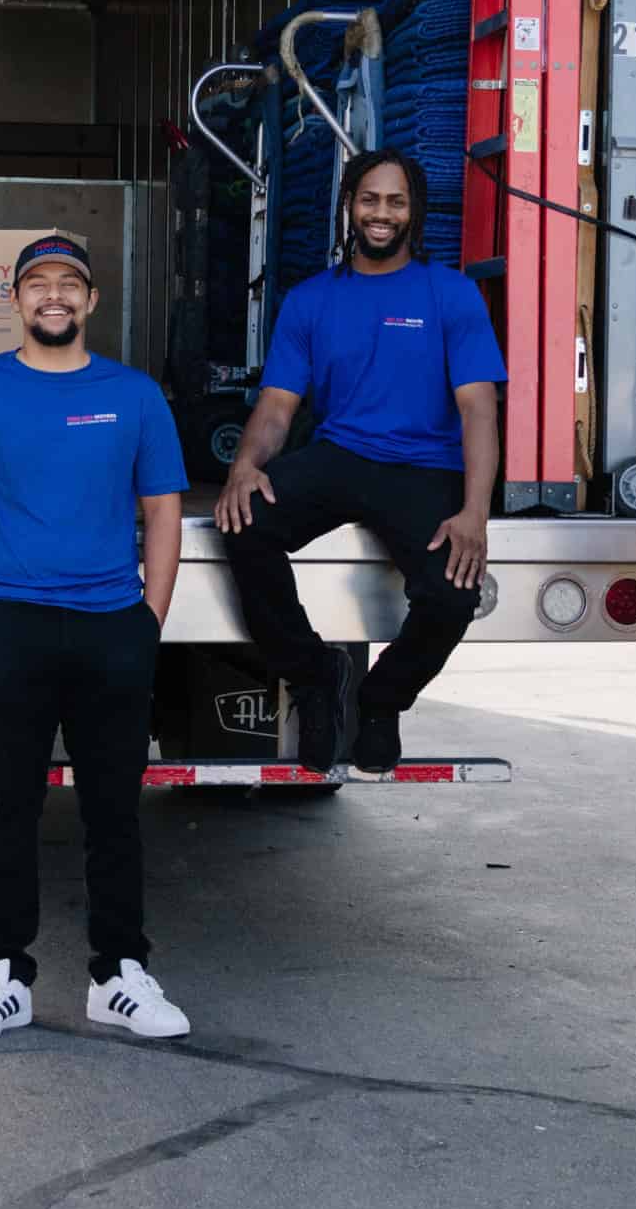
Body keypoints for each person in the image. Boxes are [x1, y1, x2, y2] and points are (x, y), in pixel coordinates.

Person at [0, 233, 191, 1046]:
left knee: (115, 810)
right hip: (8, 621)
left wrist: (148, 619)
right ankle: (2, 973)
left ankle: (118, 974)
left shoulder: (136, 395)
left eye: (69, 284)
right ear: (14, 300)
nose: (53, 296)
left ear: (91, 301)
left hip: (113, 623)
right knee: (8, 807)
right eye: (37, 283)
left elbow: (163, 512)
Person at [216, 148, 504, 775]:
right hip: (340, 455)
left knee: (453, 595)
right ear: (348, 206)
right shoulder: (312, 300)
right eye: (369, 199)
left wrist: (473, 511)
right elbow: (275, 406)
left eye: (395, 201)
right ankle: (317, 677)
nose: (381, 213)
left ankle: (381, 699)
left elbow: (480, 409)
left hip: (424, 468)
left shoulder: (449, 294)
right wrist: (247, 465)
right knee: (243, 522)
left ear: (414, 212)